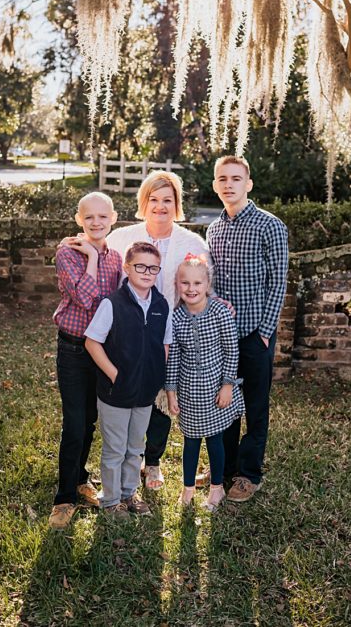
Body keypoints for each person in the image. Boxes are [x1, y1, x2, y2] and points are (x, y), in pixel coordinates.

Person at [104, 170, 207, 491]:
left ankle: (153, 462)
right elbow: (101, 264)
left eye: (167, 200)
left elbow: (203, 286)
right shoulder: (121, 238)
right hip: (128, 334)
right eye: (154, 199)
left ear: (176, 204)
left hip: (170, 333)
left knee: (160, 399)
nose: (160, 206)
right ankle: (123, 459)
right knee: (127, 395)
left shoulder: (192, 243)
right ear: (143, 202)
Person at [205, 156, 289, 502]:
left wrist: (265, 332)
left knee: (254, 407)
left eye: (236, 178)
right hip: (222, 338)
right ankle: (222, 470)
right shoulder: (213, 229)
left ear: (248, 184)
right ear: (215, 185)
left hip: (255, 334)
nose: (229, 184)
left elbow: (278, 281)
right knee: (222, 404)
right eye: (222, 179)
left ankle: (248, 474)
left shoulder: (269, 225)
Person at [49, 191, 123, 530]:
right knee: (74, 424)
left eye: (102, 217)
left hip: (101, 350)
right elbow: (85, 297)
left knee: (91, 420)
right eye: (89, 217)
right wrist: (91, 258)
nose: (96, 222)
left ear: (113, 218)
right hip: (73, 350)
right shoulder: (67, 252)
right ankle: (64, 498)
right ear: (79, 220)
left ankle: (81, 480)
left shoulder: (116, 257)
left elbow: (113, 304)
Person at [83, 241, 172, 518]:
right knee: (115, 448)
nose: (147, 272)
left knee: (135, 447)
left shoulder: (161, 304)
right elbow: (92, 342)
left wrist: (156, 373)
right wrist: (116, 375)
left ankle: (128, 494)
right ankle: (110, 502)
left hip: (145, 390)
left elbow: (165, 344)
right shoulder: (113, 304)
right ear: (127, 268)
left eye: (153, 268)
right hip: (116, 391)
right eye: (140, 266)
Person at [165, 254, 243, 511]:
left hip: (216, 388)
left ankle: (217, 488)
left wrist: (228, 384)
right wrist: (171, 392)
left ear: (207, 284)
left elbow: (232, 350)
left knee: (215, 439)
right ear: (178, 285)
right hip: (189, 390)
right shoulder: (176, 318)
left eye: (197, 283)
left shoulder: (220, 312)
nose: (191, 289)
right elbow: (174, 357)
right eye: (185, 283)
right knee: (190, 440)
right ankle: (187, 490)